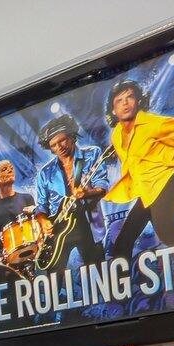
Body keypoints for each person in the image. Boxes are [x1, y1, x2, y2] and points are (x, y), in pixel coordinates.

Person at [101, 78, 174, 260]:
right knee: (123, 241)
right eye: (119, 101)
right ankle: (122, 285)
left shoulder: (154, 124)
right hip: (147, 192)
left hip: (168, 180)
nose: (125, 103)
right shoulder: (116, 135)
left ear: (138, 101)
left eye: (130, 97)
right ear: (113, 110)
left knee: (167, 232)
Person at [32, 113, 112, 268]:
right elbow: (41, 206)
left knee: (99, 272)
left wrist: (86, 194)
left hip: (87, 226)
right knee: (54, 279)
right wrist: (43, 221)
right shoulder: (45, 172)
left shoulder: (91, 154)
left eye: (62, 140)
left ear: (72, 137)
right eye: (54, 145)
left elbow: (102, 187)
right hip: (58, 231)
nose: (59, 147)